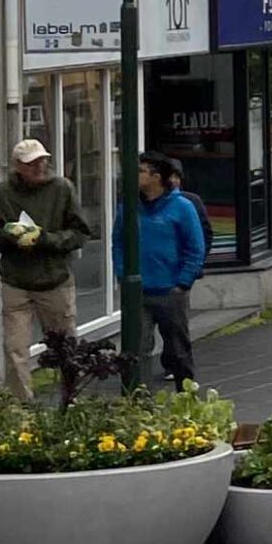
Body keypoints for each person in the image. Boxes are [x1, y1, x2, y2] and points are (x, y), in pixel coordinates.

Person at [0, 137, 95, 401]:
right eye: (32, 163)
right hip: (16, 281)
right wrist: (9, 237)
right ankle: (23, 406)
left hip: (54, 280)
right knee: (15, 349)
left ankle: (70, 399)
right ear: (17, 166)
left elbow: (80, 233)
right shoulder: (1, 194)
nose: (40, 166)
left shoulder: (62, 188)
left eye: (43, 160)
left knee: (66, 346)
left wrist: (44, 238)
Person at [113, 152, 206, 389]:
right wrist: (123, 275)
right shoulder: (129, 206)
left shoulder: (182, 207)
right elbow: (119, 242)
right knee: (138, 350)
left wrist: (183, 282)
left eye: (141, 171)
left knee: (178, 348)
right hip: (139, 291)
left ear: (157, 177)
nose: (135, 176)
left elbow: (195, 247)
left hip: (170, 290)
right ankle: (138, 402)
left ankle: (186, 396)